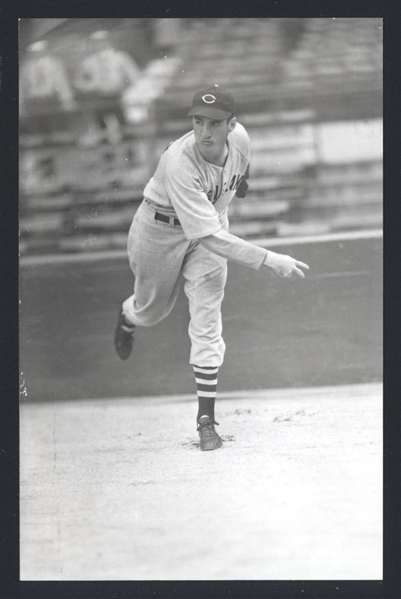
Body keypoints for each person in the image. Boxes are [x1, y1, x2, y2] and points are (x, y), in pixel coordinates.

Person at [114, 85, 309, 451]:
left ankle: (206, 420)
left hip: (210, 224)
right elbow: (210, 237)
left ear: (231, 126)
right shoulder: (179, 162)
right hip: (159, 230)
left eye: (215, 123)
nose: (204, 131)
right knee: (151, 311)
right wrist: (269, 259)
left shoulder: (242, 140)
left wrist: (240, 182)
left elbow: (239, 173)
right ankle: (127, 316)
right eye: (198, 121)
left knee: (206, 319)